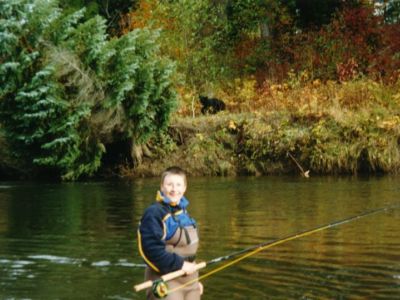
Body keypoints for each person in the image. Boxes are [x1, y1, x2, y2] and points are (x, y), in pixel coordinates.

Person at [138, 166, 203, 299]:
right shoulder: (154, 213)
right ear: (162, 187)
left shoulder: (184, 213)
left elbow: (188, 251)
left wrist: (195, 282)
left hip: (191, 283)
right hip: (165, 282)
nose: (174, 189)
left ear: (184, 188)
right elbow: (151, 250)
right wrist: (181, 264)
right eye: (169, 184)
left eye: (178, 185)